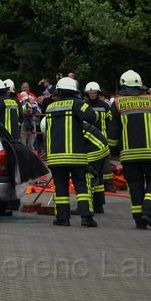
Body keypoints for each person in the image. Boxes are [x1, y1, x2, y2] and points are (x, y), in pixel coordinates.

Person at [108, 70, 151, 230]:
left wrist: (114, 151)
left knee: (134, 184)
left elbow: (113, 133)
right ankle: (149, 213)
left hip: (128, 155)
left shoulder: (116, 104)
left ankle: (139, 219)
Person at [40, 77, 100, 228]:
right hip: (76, 156)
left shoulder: (50, 107)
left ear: (59, 90)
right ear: (75, 91)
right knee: (81, 186)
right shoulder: (78, 104)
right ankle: (86, 217)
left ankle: (62, 218)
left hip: (56, 156)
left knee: (60, 187)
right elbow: (92, 117)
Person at [83, 81, 113, 207]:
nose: (92, 94)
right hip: (90, 142)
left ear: (98, 92)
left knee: (104, 169)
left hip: (103, 140)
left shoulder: (105, 106)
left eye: (94, 92)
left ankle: (108, 187)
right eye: (90, 93)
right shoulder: (84, 105)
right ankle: (97, 201)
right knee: (93, 170)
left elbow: (110, 121)